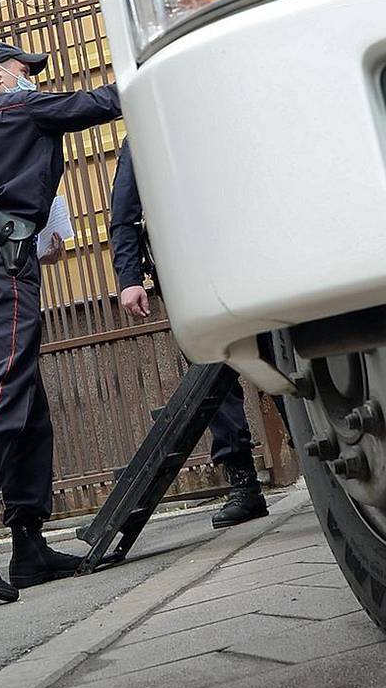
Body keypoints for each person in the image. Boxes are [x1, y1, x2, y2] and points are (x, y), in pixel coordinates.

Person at [0, 40, 121, 602]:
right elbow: (98, 103)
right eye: (21, 70)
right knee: (4, 383)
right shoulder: (18, 107)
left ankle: (28, 544)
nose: (30, 78)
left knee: (24, 398)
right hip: (2, 266)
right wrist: (147, 75)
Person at [110, 142, 269, 528]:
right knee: (214, 383)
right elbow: (124, 215)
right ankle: (244, 483)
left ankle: (320, 463)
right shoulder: (142, 136)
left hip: (248, 261)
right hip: (187, 277)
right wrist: (130, 278)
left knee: (278, 359)